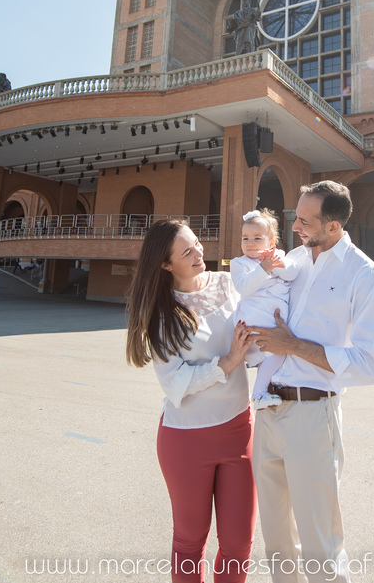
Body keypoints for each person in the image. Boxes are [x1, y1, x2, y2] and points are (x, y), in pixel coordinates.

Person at [249, 181, 374, 583]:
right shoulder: (292, 259)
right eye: (296, 216)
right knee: (276, 540)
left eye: (305, 221)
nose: (295, 226)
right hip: (268, 410)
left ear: (332, 227)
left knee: (319, 544)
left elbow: (368, 364)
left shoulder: (363, 274)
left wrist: (294, 345)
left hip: (313, 415)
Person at [125, 219, 257, 583]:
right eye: (187, 251)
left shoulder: (231, 284)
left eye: (197, 243)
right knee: (189, 540)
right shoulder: (161, 312)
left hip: (239, 431)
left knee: (239, 543)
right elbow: (176, 383)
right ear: (166, 265)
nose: (199, 252)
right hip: (186, 440)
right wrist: (229, 361)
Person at [230, 209, 301, 410]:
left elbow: (292, 274)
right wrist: (263, 269)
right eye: (245, 238)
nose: (250, 243)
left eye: (257, 238)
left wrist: (273, 264)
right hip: (255, 318)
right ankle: (259, 394)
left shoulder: (279, 257)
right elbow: (244, 287)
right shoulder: (239, 263)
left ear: (271, 242)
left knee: (272, 357)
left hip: (273, 318)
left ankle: (264, 389)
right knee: (277, 353)